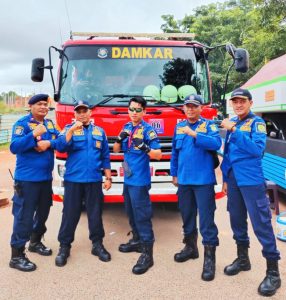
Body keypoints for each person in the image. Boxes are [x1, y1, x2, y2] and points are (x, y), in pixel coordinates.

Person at [220, 88, 281, 296]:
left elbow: (256, 150)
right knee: (236, 220)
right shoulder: (234, 123)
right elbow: (227, 154)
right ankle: (243, 259)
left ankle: (273, 273)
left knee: (261, 223)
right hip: (234, 180)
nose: (238, 105)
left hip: (251, 180)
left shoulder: (257, 123)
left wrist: (235, 132)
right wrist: (226, 177)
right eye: (235, 101)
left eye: (242, 101)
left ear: (250, 103)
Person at [170, 94, 221, 281]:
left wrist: (194, 134)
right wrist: (174, 174)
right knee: (187, 216)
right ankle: (191, 248)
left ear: (201, 109)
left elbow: (216, 143)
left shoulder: (209, 125)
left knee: (206, 221)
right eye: (187, 106)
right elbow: (175, 153)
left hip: (203, 182)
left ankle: (209, 260)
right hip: (184, 181)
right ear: (184, 108)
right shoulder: (178, 127)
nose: (190, 109)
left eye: (194, 106)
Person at [55, 100, 112, 267]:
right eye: (78, 111)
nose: (81, 114)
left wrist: (108, 178)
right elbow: (60, 146)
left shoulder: (99, 132)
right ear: (75, 114)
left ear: (90, 113)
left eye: (84, 111)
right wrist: (72, 130)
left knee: (95, 213)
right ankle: (64, 247)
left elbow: (105, 156)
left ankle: (97, 244)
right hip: (73, 180)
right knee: (70, 214)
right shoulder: (68, 129)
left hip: (94, 180)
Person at [9, 94, 59, 272]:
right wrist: (33, 136)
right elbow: (14, 147)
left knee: (43, 213)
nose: (44, 107)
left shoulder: (50, 124)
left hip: (45, 179)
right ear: (30, 106)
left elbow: (59, 141)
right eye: (39, 104)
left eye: (46, 104)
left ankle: (35, 242)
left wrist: (48, 142)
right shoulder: (22, 124)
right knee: (24, 217)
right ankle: (16, 255)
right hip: (27, 180)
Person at [113, 96, 162, 275]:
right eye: (131, 109)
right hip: (128, 178)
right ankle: (136, 241)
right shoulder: (126, 127)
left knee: (142, 215)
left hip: (140, 180)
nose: (134, 113)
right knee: (130, 211)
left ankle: (147, 254)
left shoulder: (148, 131)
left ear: (144, 112)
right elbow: (116, 151)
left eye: (138, 110)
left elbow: (158, 155)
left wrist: (145, 148)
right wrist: (119, 139)